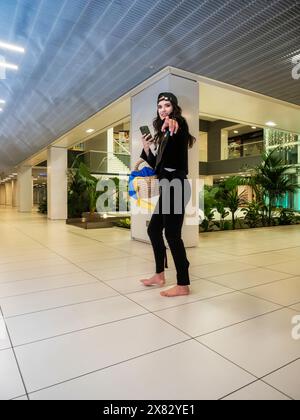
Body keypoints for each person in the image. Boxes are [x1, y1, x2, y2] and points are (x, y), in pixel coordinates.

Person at [139, 92, 196, 297]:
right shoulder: (162, 136)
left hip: (177, 186)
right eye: (160, 106)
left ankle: (183, 284)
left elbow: (178, 125)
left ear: (174, 108)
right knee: (154, 230)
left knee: (172, 235)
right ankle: (159, 274)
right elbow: (157, 167)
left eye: (167, 106)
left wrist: (174, 122)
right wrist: (147, 149)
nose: (163, 109)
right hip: (168, 187)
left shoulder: (177, 126)